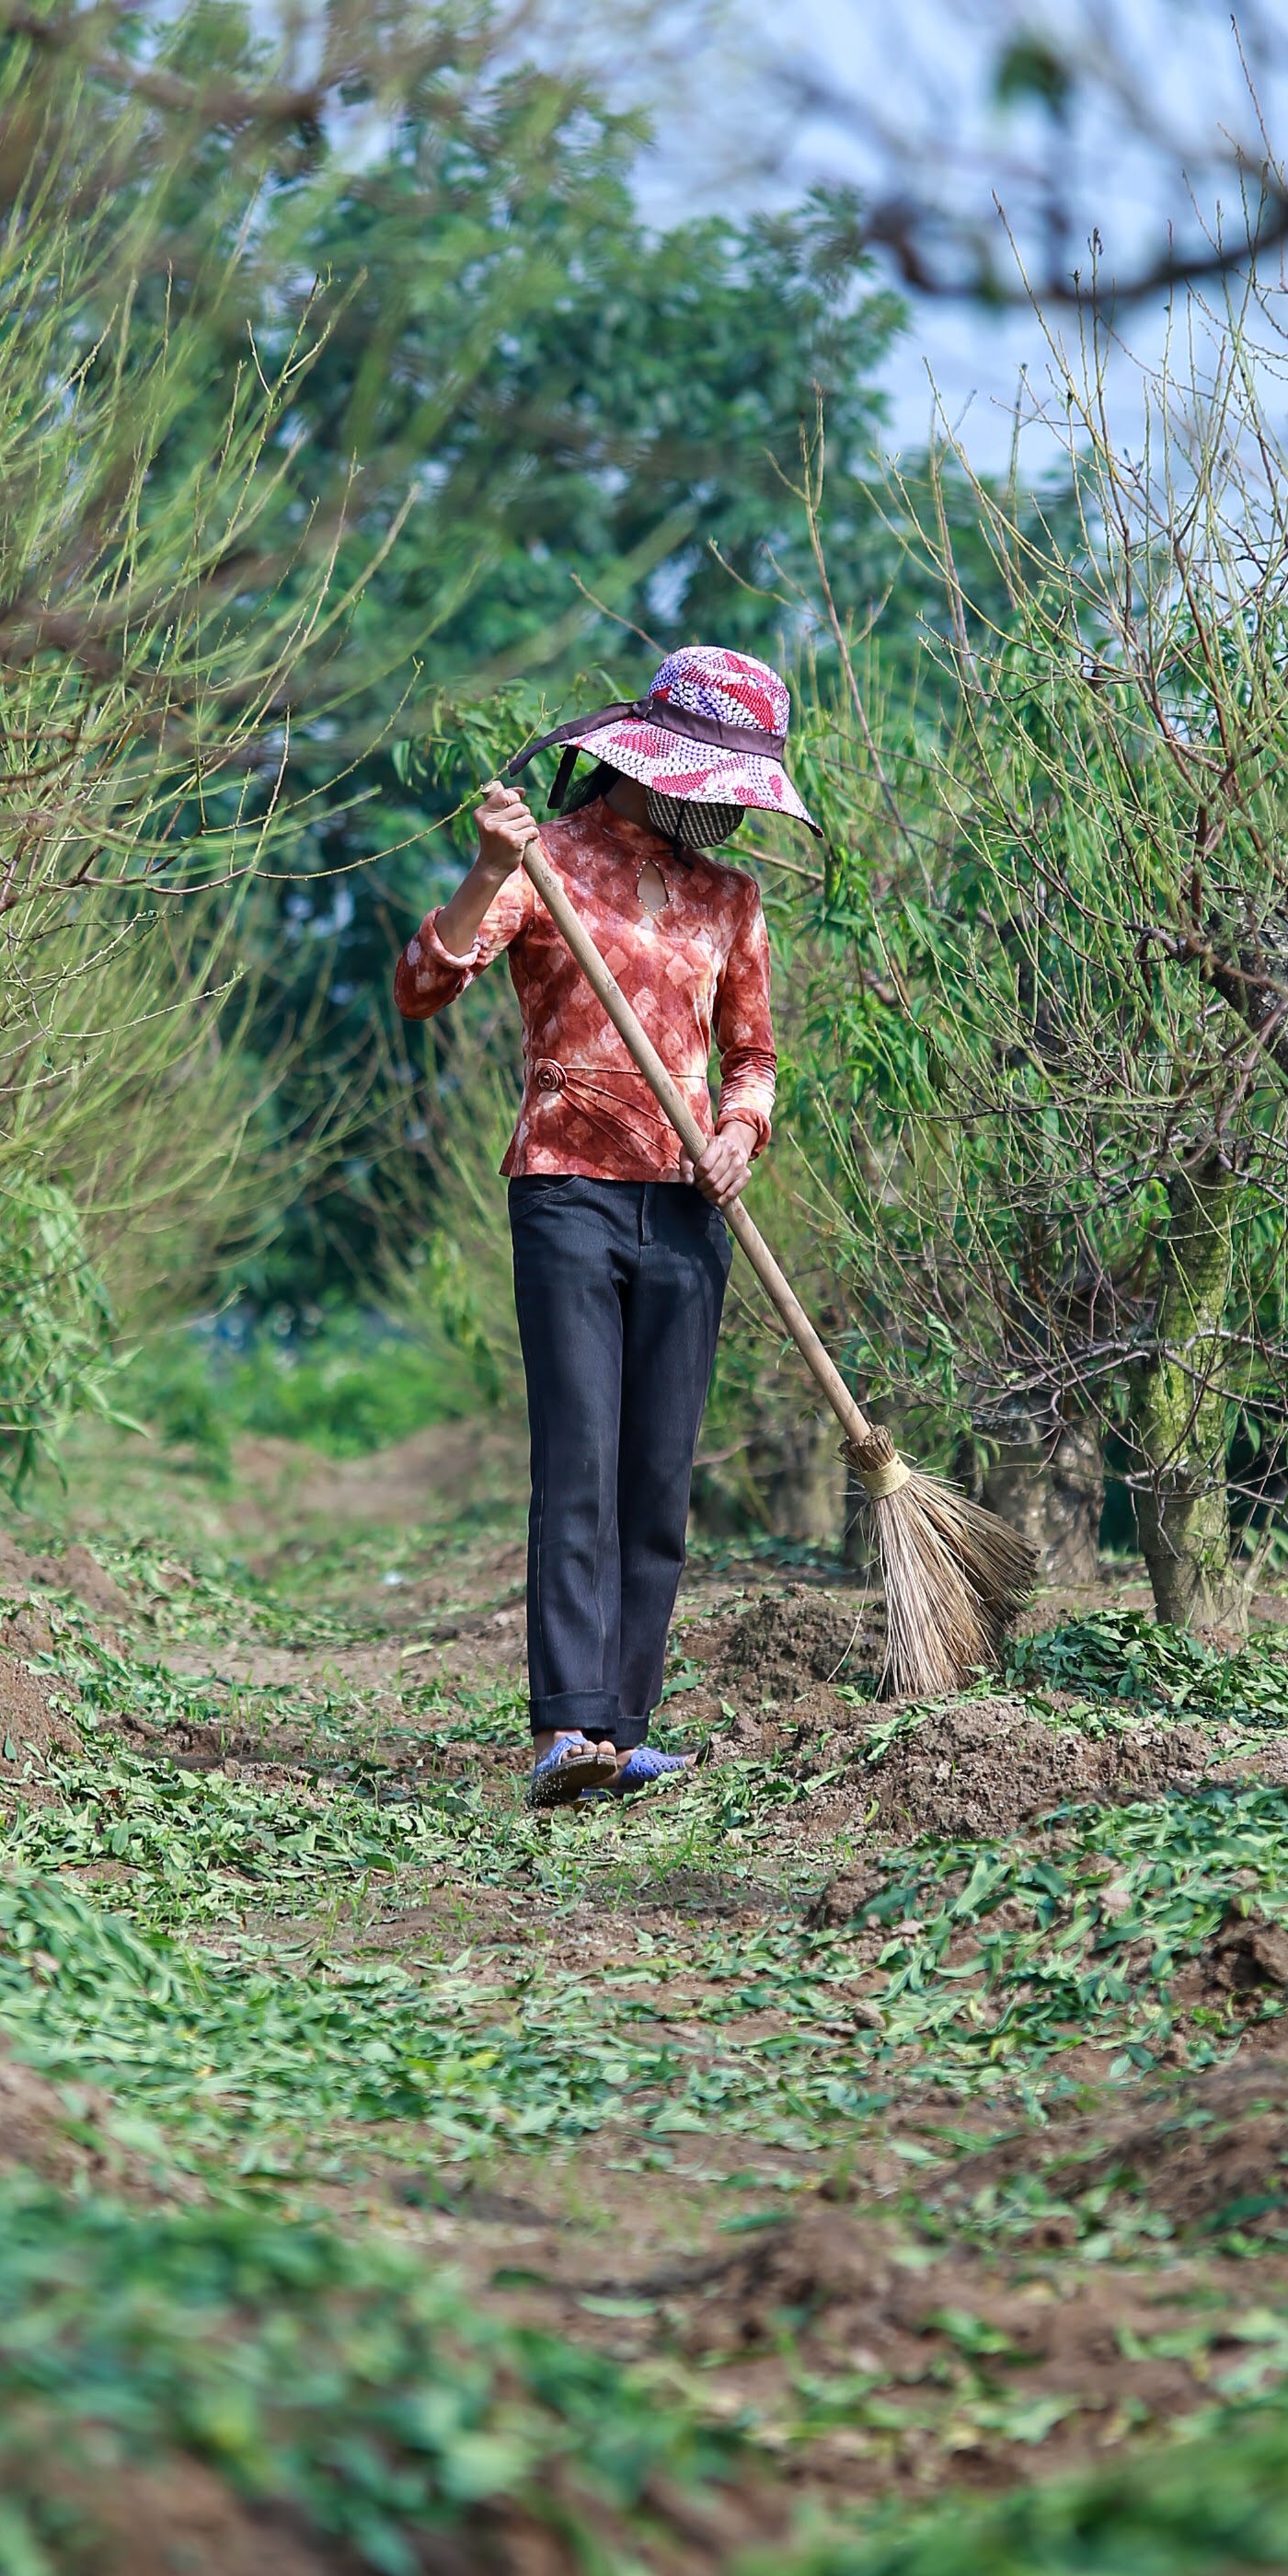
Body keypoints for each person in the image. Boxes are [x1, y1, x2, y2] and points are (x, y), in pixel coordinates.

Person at [393, 645, 818, 1808]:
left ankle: (624, 1730)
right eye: (716, 786)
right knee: (578, 1459)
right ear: (657, 768)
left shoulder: (732, 901)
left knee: (654, 1475)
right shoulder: (549, 863)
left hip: (689, 1207)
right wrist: (486, 872)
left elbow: (755, 1057)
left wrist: (742, 1130)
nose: (729, 812)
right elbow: (422, 987)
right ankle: (566, 1727)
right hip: (567, 1189)